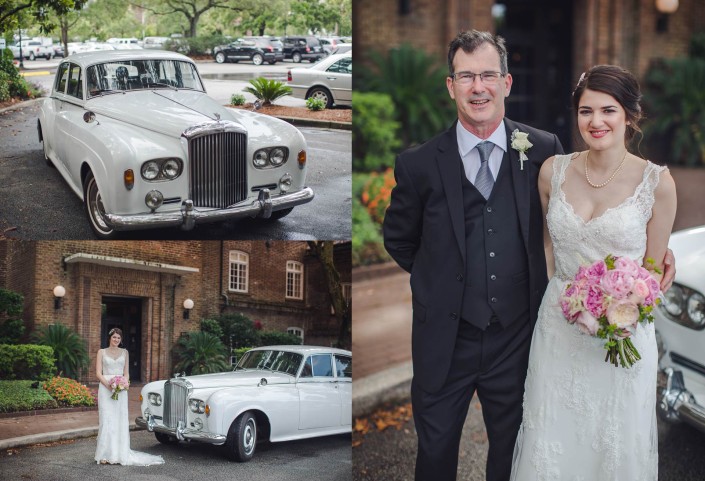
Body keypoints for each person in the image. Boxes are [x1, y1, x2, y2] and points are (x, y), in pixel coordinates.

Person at [382, 30, 675, 481]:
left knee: (516, 451)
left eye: (487, 75)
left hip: (518, 337)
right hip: (445, 338)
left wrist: (648, 258)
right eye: (466, 76)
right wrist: (443, 285)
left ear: (507, 82)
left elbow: (565, 230)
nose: (477, 86)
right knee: (435, 453)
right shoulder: (418, 164)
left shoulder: (542, 150)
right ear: (450, 85)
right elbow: (400, 240)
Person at [509, 65, 677, 480]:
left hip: (620, 332)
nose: (596, 122)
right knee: (551, 439)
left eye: (608, 111)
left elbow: (653, 272)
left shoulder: (657, 183)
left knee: (613, 445)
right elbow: (539, 246)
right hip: (558, 327)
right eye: (586, 111)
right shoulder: (553, 171)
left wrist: (627, 300)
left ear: (629, 116)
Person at [94, 328, 164, 466]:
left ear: (121, 340)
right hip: (105, 387)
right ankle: (104, 454)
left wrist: (124, 383)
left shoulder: (125, 352)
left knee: (119, 420)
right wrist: (108, 384)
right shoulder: (101, 352)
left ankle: (119, 454)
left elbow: (126, 373)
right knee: (106, 419)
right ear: (109, 338)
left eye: (118, 338)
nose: (116, 340)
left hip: (121, 390)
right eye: (114, 337)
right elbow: (98, 372)